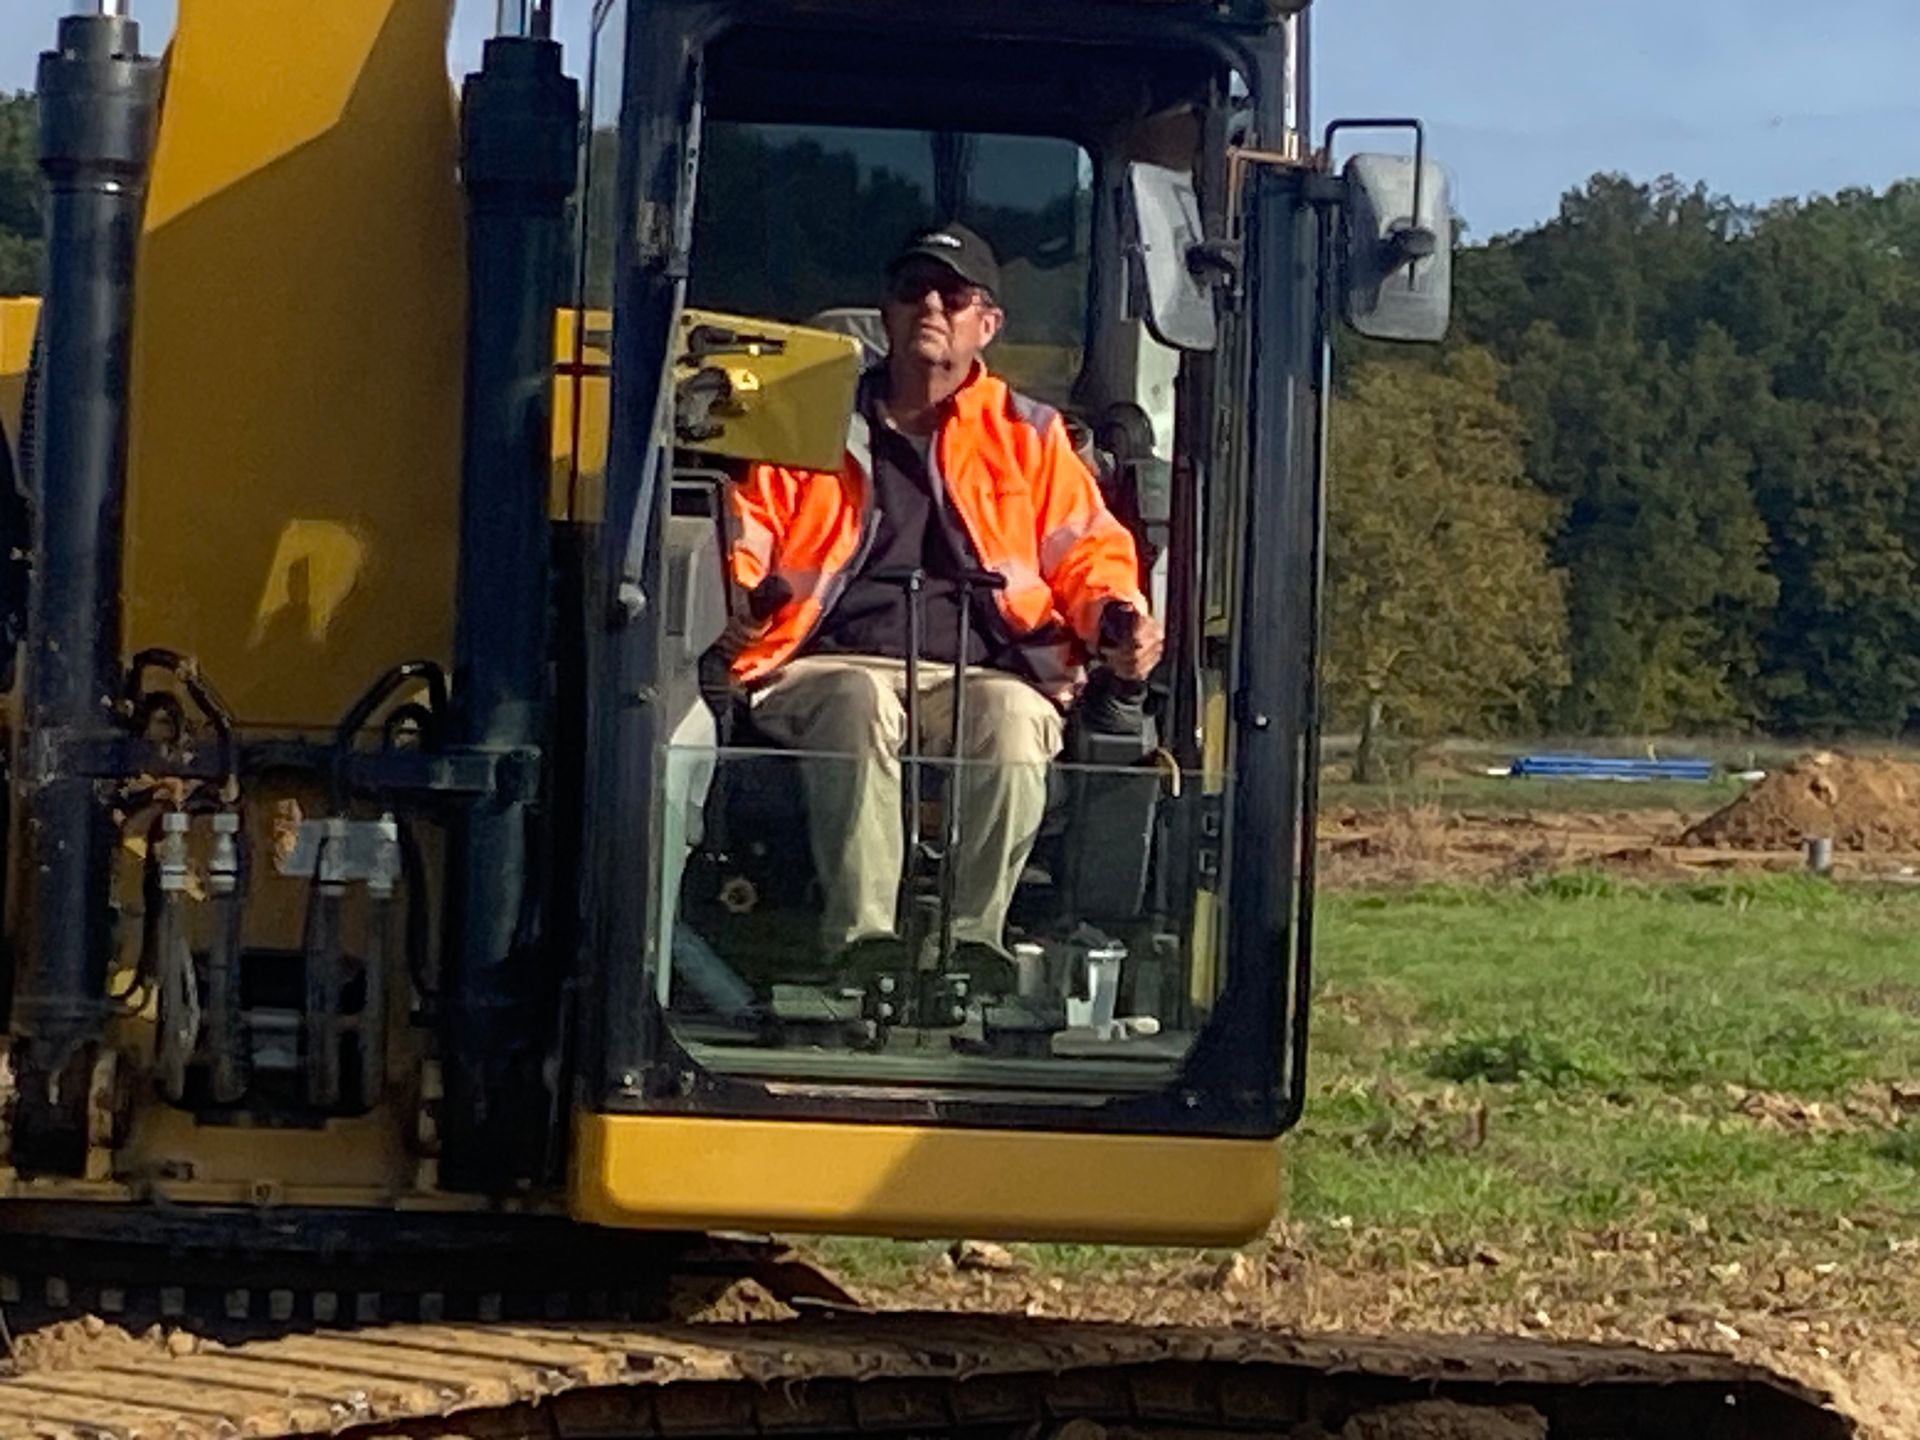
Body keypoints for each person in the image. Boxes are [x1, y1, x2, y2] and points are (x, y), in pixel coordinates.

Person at [724, 222, 1163, 972]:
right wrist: (739, 604)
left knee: (1015, 716)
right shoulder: (810, 423)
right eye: (912, 290)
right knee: (860, 701)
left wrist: (1119, 615)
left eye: (953, 294)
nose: (931, 305)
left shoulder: (1031, 436)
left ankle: (972, 946)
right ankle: (863, 944)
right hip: (823, 666)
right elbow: (745, 531)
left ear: (986, 324)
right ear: (887, 315)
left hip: (984, 673)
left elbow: (1089, 550)